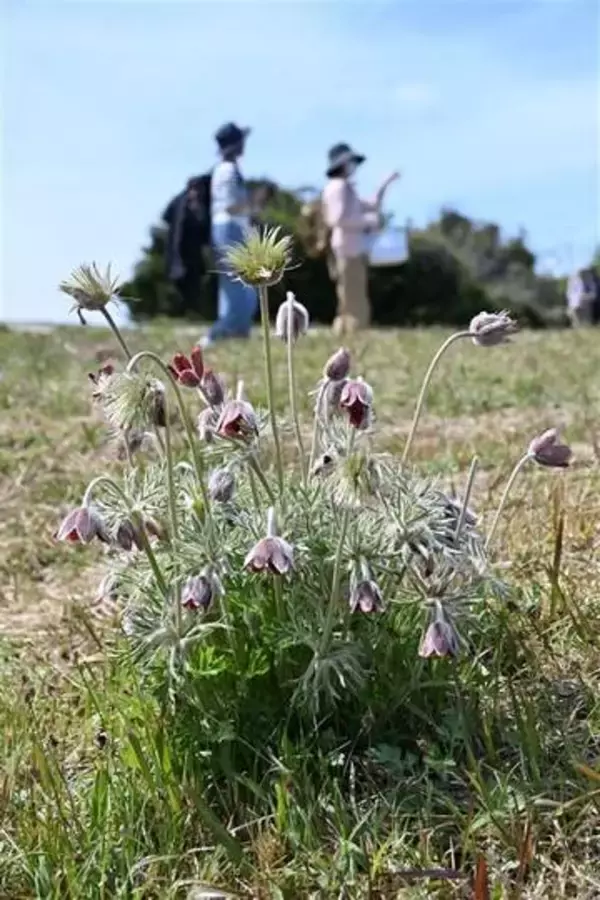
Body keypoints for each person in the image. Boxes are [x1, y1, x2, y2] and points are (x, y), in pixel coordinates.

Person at [321, 142, 399, 335]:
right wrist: (368, 221)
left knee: (349, 294)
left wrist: (384, 185)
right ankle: (354, 331)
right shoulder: (338, 188)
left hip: (351, 249)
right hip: (346, 249)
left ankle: (347, 331)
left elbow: (372, 205)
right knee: (353, 297)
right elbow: (337, 219)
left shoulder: (346, 188)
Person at [203, 122, 260, 347]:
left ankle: (235, 331)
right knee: (239, 282)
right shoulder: (227, 170)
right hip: (230, 227)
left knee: (235, 284)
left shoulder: (224, 169)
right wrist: (255, 203)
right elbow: (232, 205)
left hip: (228, 227)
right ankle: (223, 332)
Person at [163, 176, 210, 313]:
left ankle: (191, 312)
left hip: (194, 254)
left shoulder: (202, 206)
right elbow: (166, 217)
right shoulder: (179, 202)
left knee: (194, 284)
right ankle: (179, 311)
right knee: (179, 283)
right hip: (178, 252)